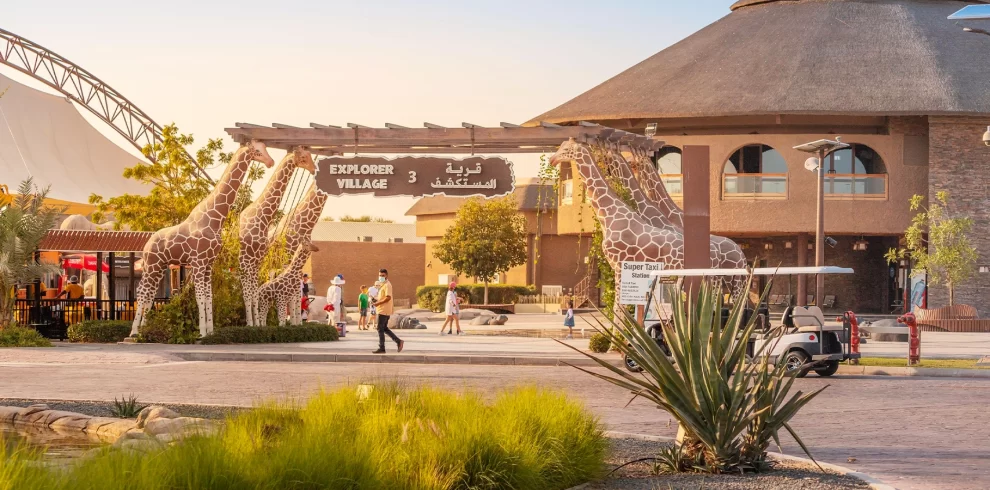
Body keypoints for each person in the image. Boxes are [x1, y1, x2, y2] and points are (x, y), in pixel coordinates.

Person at [372, 268, 403, 354]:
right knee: (384, 328)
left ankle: (382, 347)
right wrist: (375, 300)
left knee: (380, 328)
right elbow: (381, 297)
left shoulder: (387, 285)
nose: (381, 277)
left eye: (383, 276)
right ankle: (398, 341)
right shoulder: (382, 284)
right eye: (380, 275)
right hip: (381, 309)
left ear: (386, 276)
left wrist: (378, 303)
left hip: (384, 309)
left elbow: (388, 297)